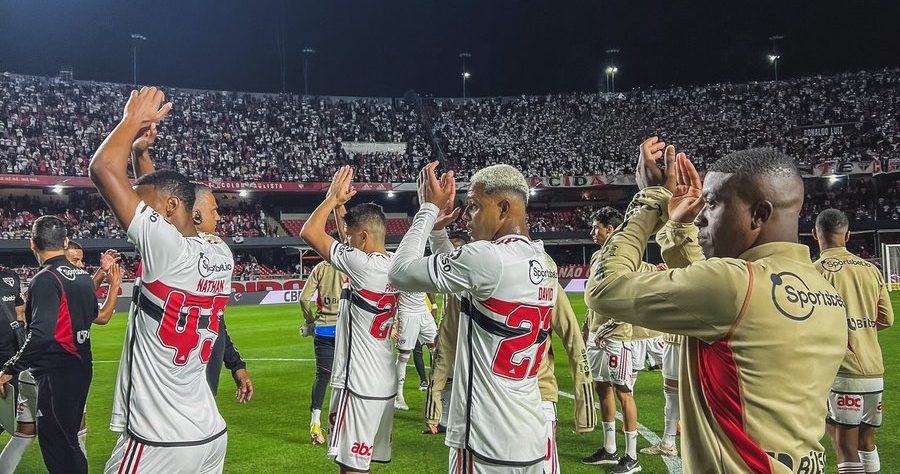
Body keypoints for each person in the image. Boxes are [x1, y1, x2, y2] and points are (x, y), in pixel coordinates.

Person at [584, 138, 848, 472]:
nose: (700, 218)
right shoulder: (824, 290)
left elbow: (605, 289)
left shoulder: (735, 285)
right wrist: (677, 226)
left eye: (712, 204)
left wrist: (651, 200)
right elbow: (707, 276)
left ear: (759, 214)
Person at [90, 86, 233, 473]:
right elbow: (166, 197)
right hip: (208, 432)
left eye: (145, 204)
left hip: (159, 439)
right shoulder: (220, 253)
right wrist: (139, 153)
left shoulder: (168, 250)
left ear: (169, 209)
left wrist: (130, 121)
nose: (135, 209)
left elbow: (103, 170)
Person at [389, 162, 554, 473]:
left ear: (503, 208)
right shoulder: (542, 261)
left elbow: (399, 273)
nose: (466, 216)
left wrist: (427, 210)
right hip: (530, 437)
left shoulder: (488, 259)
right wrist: (440, 231)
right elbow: (464, 275)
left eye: (475, 206)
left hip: (484, 440)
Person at [131, 124, 253, 404]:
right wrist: (235, 363)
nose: (219, 217)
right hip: (188, 373)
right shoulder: (215, 253)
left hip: (180, 374)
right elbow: (158, 202)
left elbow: (156, 205)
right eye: (214, 210)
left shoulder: (178, 251)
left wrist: (139, 152)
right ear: (194, 214)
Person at [299, 166, 397, 473]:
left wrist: (330, 199)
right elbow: (351, 243)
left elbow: (310, 233)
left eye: (352, 238)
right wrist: (343, 209)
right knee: (361, 463)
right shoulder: (392, 264)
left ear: (364, 238)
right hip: (383, 381)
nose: (347, 241)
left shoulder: (361, 265)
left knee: (350, 467)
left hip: (357, 383)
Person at [0, 216, 97, 474]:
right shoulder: (84, 276)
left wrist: (11, 367)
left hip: (57, 373)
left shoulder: (45, 279)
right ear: (65, 243)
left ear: (33, 244)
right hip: (81, 366)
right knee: (70, 441)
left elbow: (42, 334)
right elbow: (91, 317)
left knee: (58, 446)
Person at [813, 208, 894, 474]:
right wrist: (861, 329)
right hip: (873, 369)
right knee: (866, 441)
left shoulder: (814, 272)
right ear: (847, 235)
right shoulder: (871, 269)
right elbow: (886, 319)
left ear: (815, 235)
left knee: (843, 446)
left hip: (841, 370)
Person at [581, 207, 652, 472]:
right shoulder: (599, 256)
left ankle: (631, 457)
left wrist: (613, 326)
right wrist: (587, 327)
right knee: (602, 387)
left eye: (596, 227)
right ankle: (610, 450)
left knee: (624, 392)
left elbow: (631, 294)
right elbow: (594, 298)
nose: (592, 232)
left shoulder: (625, 258)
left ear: (610, 230)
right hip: (596, 335)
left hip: (616, 337)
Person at [299, 234, 344, 445]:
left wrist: (311, 321)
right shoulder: (349, 267)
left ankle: (315, 423)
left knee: (322, 377)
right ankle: (342, 421)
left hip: (323, 329)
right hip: (346, 329)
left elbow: (304, 298)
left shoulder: (320, 268)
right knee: (347, 376)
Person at [391, 289, 437, 411]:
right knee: (404, 354)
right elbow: (393, 294)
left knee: (437, 349)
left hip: (423, 312)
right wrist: (395, 321)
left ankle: (436, 391)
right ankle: (398, 397)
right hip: (407, 313)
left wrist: (434, 304)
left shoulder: (422, 270)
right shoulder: (399, 270)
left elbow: (427, 284)